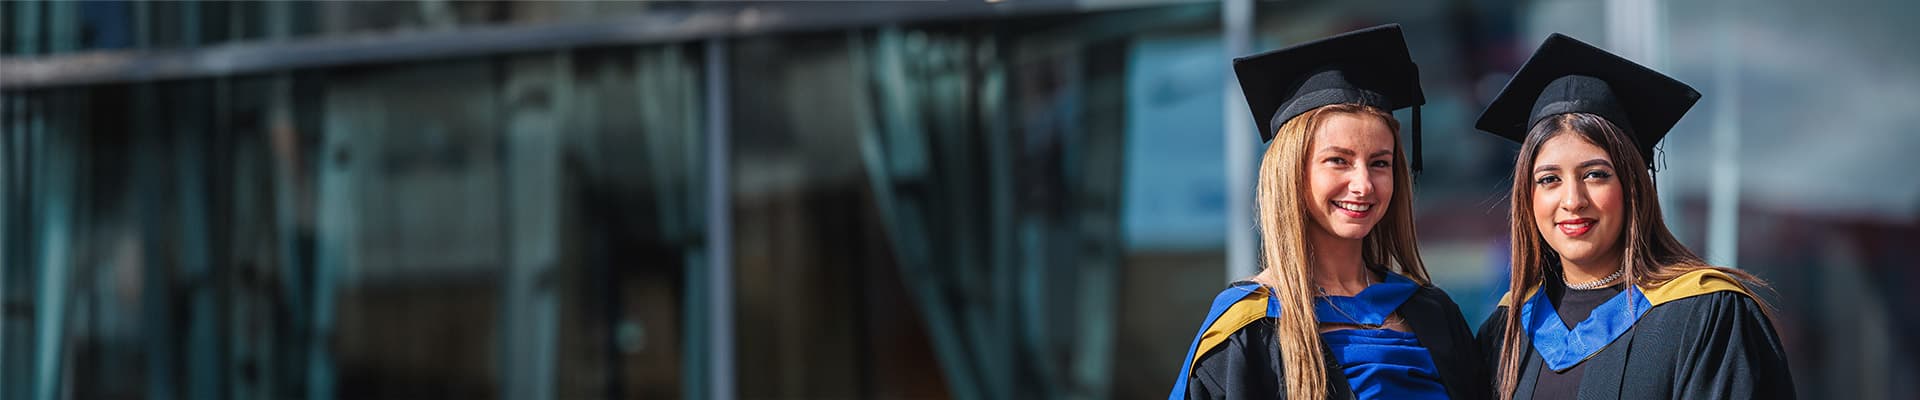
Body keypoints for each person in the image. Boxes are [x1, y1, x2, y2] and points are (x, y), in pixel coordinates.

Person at [1171, 24, 1487, 400]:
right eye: (1338, 160)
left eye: (1380, 163)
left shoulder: (1434, 314)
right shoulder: (1246, 330)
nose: (1363, 184)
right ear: (1293, 173)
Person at [1471, 33, 1795, 400]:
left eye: (1595, 174)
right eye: (1549, 180)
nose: (1572, 200)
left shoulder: (1705, 314)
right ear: (1527, 197)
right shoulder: (1506, 331)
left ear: (1633, 185)